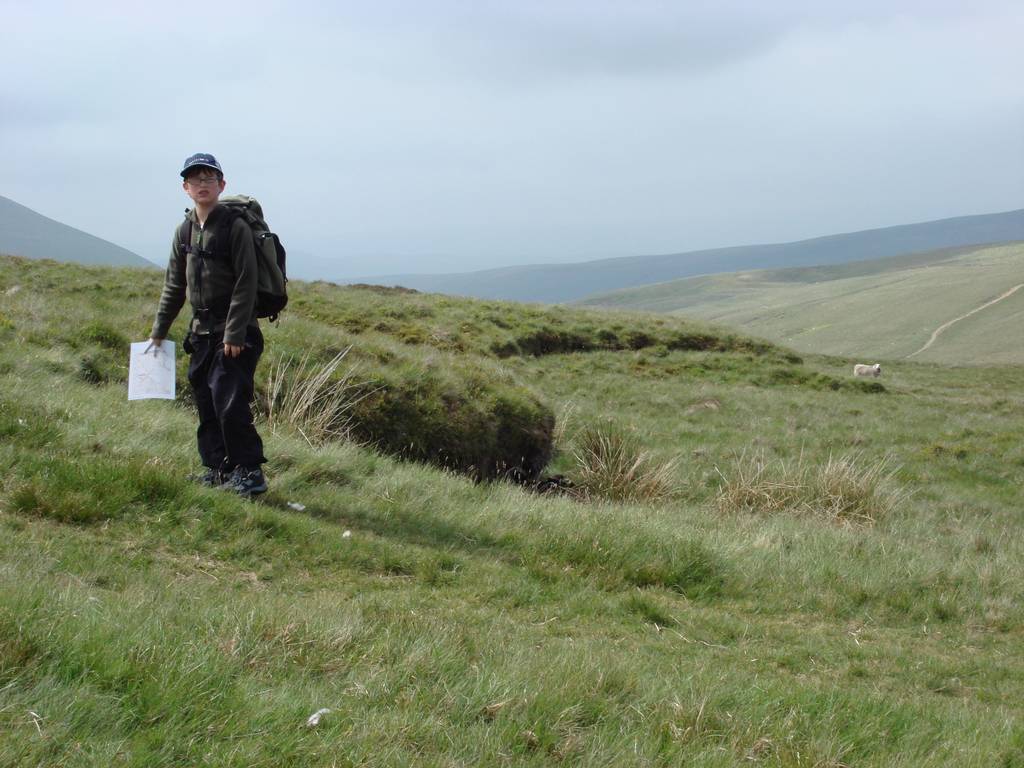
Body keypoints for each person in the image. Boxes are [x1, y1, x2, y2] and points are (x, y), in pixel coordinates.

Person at [148, 153, 268, 496]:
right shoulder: (184, 230)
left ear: (222, 185)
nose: (202, 184)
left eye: (209, 178)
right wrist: (159, 331)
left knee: (230, 402)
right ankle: (219, 470)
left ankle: (250, 474)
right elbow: (174, 285)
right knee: (206, 401)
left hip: (235, 332)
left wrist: (234, 332)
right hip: (200, 333)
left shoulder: (236, 226)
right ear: (185, 188)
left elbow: (247, 281)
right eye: (195, 179)